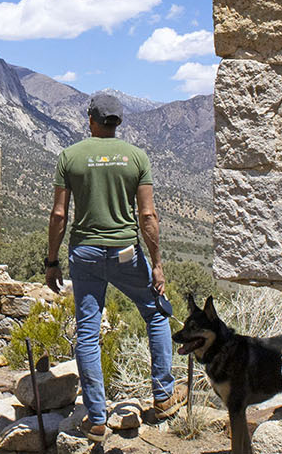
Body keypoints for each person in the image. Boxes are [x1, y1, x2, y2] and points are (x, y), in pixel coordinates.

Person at [44, 91, 185, 439]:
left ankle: (95, 417)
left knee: (88, 333)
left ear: (90, 120)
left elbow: (59, 215)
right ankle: (163, 396)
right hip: (125, 252)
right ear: (118, 122)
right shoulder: (136, 157)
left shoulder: (69, 156)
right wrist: (157, 263)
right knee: (155, 314)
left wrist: (51, 261)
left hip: (85, 254)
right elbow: (148, 215)